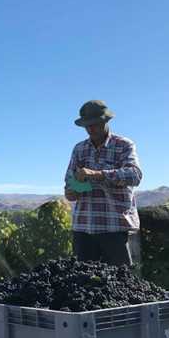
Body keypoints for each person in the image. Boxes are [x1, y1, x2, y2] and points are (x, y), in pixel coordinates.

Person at [64, 100, 142, 266]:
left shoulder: (124, 145)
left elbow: (135, 175)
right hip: (83, 227)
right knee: (83, 284)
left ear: (106, 121)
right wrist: (71, 192)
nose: (90, 129)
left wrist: (98, 174)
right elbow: (69, 185)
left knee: (120, 284)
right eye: (87, 125)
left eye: (94, 124)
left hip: (113, 227)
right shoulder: (79, 149)